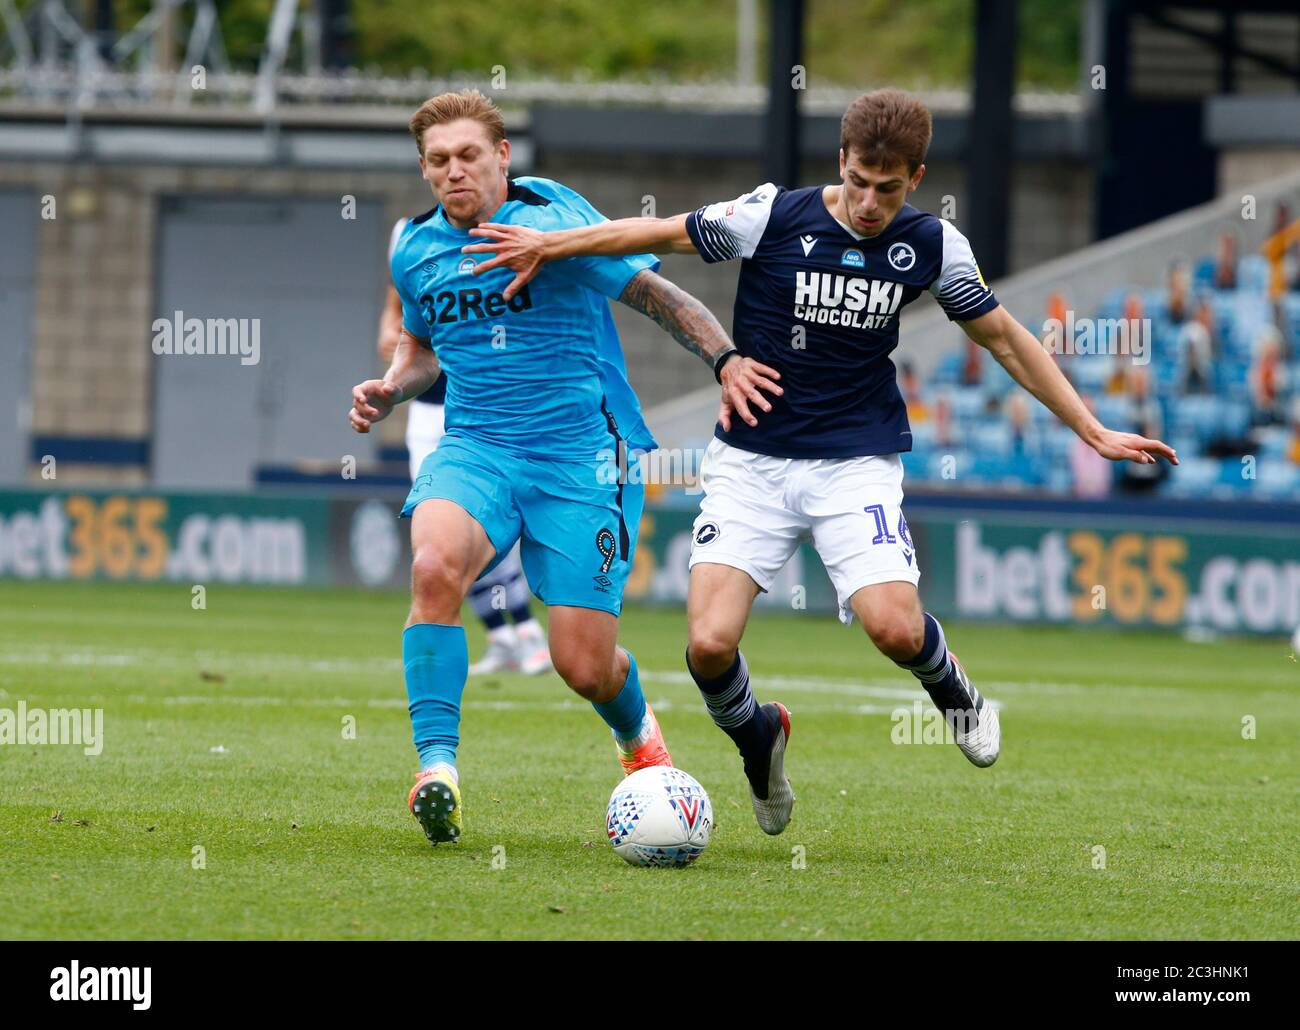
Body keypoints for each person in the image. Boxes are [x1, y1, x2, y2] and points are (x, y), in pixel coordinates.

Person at [464, 88, 1177, 836]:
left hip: (853, 462)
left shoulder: (934, 245)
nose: (870, 202)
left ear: (917, 177)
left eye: (890, 188)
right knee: (708, 646)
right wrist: (550, 245)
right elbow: (658, 232)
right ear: (841, 160)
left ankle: (954, 691)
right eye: (860, 180)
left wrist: (1090, 428)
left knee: (896, 631)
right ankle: (759, 743)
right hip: (752, 462)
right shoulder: (773, 215)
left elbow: (1003, 338)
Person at [348, 89, 781, 846]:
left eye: (470, 155)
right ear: (424, 169)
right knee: (433, 566)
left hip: (586, 455)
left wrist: (725, 358)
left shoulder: (552, 220)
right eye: (439, 161)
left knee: (581, 664)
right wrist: (391, 388)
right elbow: (418, 351)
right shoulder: (413, 251)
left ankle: (640, 740)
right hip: (477, 446)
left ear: (504, 156)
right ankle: (437, 770)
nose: (455, 171)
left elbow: (652, 292)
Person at [376, 234, 550, 676]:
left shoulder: (483, 246)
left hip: (478, 414)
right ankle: (501, 636)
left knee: (486, 527)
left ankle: (529, 632)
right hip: (426, 415)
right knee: (439, 531)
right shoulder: (411, 253)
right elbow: (392, 333)